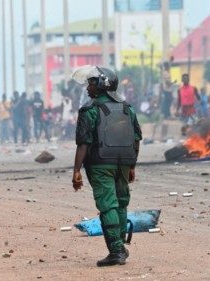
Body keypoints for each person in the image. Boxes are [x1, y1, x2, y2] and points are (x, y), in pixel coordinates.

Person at [71, 65, 142, 267]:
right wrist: (132, 166)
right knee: (120, 203)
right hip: (123, 163)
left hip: (100, 165)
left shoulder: (90, 110)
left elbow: (83, 142)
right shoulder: (128, 109)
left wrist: (76, 170)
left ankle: (117, 250)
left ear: (102, 85)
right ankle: (119, 247)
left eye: (91, 83)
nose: (87, 88)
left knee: (108, 205)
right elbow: (136, 139)